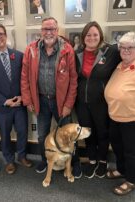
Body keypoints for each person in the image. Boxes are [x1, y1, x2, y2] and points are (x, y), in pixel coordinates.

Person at [21, 17, 81, 178]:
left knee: (69, 135)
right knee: (42, 135)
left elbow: (74, 80)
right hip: (40, 100)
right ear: (41, 31)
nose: (49, 32)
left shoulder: (67, 50)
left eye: (52, 29)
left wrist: (69, 104)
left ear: (57, 30)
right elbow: (25, 77)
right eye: (45, 29)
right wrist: (28, 100)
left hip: (61, 102)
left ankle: (74, 163)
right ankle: (45, 160)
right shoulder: (31, 50)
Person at [0, 24, 32, 175]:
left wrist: (23, 96)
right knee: (5, 134)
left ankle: (22, 156)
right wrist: (5, 101)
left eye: (1, 34)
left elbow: (25, 79)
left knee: (22, 132)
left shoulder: (18, 55)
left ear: (5, 35)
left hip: (19, 104)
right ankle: (9, 160)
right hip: (2, 107)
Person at [75, 21, 121, 179]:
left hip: (102, 103)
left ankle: (102, 161)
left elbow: (132, 56)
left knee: (102, 132)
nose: (92, 38)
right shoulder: (77, 53)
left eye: (95, 35)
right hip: (81, 103)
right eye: (88, 35)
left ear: (100, 36)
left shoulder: (111, 51)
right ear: (83, 37)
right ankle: (92, 160)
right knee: (87, 133)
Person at [104, 32, 135, 195]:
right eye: (122, 47)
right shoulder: (119, 66)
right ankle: (122, 171)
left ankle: (132, 180)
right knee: (118, 148)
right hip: (116, 118)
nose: (125, 50)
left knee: (133, 153)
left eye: (130, 47)